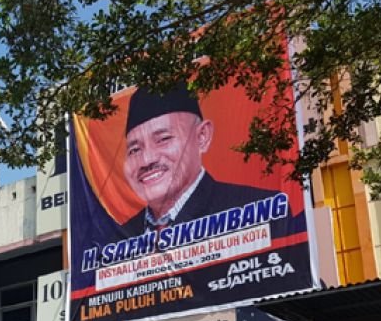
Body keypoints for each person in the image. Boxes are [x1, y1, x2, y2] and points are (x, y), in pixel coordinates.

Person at [119, 82, 303, 236]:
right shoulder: (117, 240)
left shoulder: (260, 210)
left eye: (163, 139)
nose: (147, 160)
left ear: (202, 137)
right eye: (134, 150)